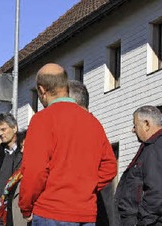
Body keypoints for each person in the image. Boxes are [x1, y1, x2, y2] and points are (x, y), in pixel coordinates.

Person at [18, 63, 117, 225]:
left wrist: (26, 207)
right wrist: (85, 187)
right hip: (85, 212)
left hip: (51, 210)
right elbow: (109, 166)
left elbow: (35, 170)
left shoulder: (42, 120)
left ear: (42, 90)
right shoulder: (92, 122)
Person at [116, 105, 162, 226]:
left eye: (135, 125)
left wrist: (142, 222)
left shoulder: (158, 147)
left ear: (146, 124)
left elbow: (158, 193)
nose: (133, 130)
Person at [68, 80, 119, 226]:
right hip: (94, 206)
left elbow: (109, 167)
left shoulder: (84, 127)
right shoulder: (94, 125)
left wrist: (84, 187)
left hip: (87, 209)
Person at [0, 113, 23, 226]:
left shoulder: (24, 152)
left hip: (16, 210)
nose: (0, 133)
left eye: (3, 129)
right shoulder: (0, 154)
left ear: (14, 128)